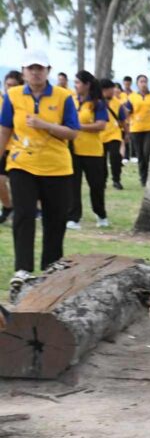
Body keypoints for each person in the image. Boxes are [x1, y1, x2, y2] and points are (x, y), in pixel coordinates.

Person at [0, 50, 79, 292]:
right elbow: (5, 129)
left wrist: (45, 125)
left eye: (40, 68)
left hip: (56, 166)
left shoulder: (64, 96)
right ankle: (23, 268)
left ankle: (51, 267)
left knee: (55, 218)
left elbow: (72, 132)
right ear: (23, 72)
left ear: (48, 71)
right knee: (24, 214)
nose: (35, 72)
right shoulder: (13, 96)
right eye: (31, 68)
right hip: (22, 164)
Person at [67, 70, 110, 230]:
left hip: (93, 151)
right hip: (73, 150)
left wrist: (79, 127)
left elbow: (101, 125)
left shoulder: (97, 103)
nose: (75, 85)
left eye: (78, 82)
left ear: (87, 85)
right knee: (73, 186)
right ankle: (74, 217)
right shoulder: (72, 101)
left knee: (96, 185)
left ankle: (101, 214)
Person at [125, 74, 150, 185]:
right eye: (141, 82)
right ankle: (143, 178)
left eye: (145, 81)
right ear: (137, 84)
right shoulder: (132, 97)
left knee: (147, 153)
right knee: (140, 155)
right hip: (136, 129)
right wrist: (127, 126)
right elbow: (127, 112)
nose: (143, 84)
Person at [0, 70, 24, 225]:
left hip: (18, 148)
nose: (10, 88)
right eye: (7, 85)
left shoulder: (23, 103)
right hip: (3, 146)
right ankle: (8, 207)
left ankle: (24, 210)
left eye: (13, 86)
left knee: (20, 185)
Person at [99, 78, 127, 190]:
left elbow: (123, 120)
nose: (112, 92)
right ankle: (103, 180)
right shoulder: (96, 103)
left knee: (115, 157)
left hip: (114, 134)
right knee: (101, 160)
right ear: (103, 90)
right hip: (100, 136)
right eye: (110, 90)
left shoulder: (117, 103)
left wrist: (127, 133)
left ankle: (116, 180)